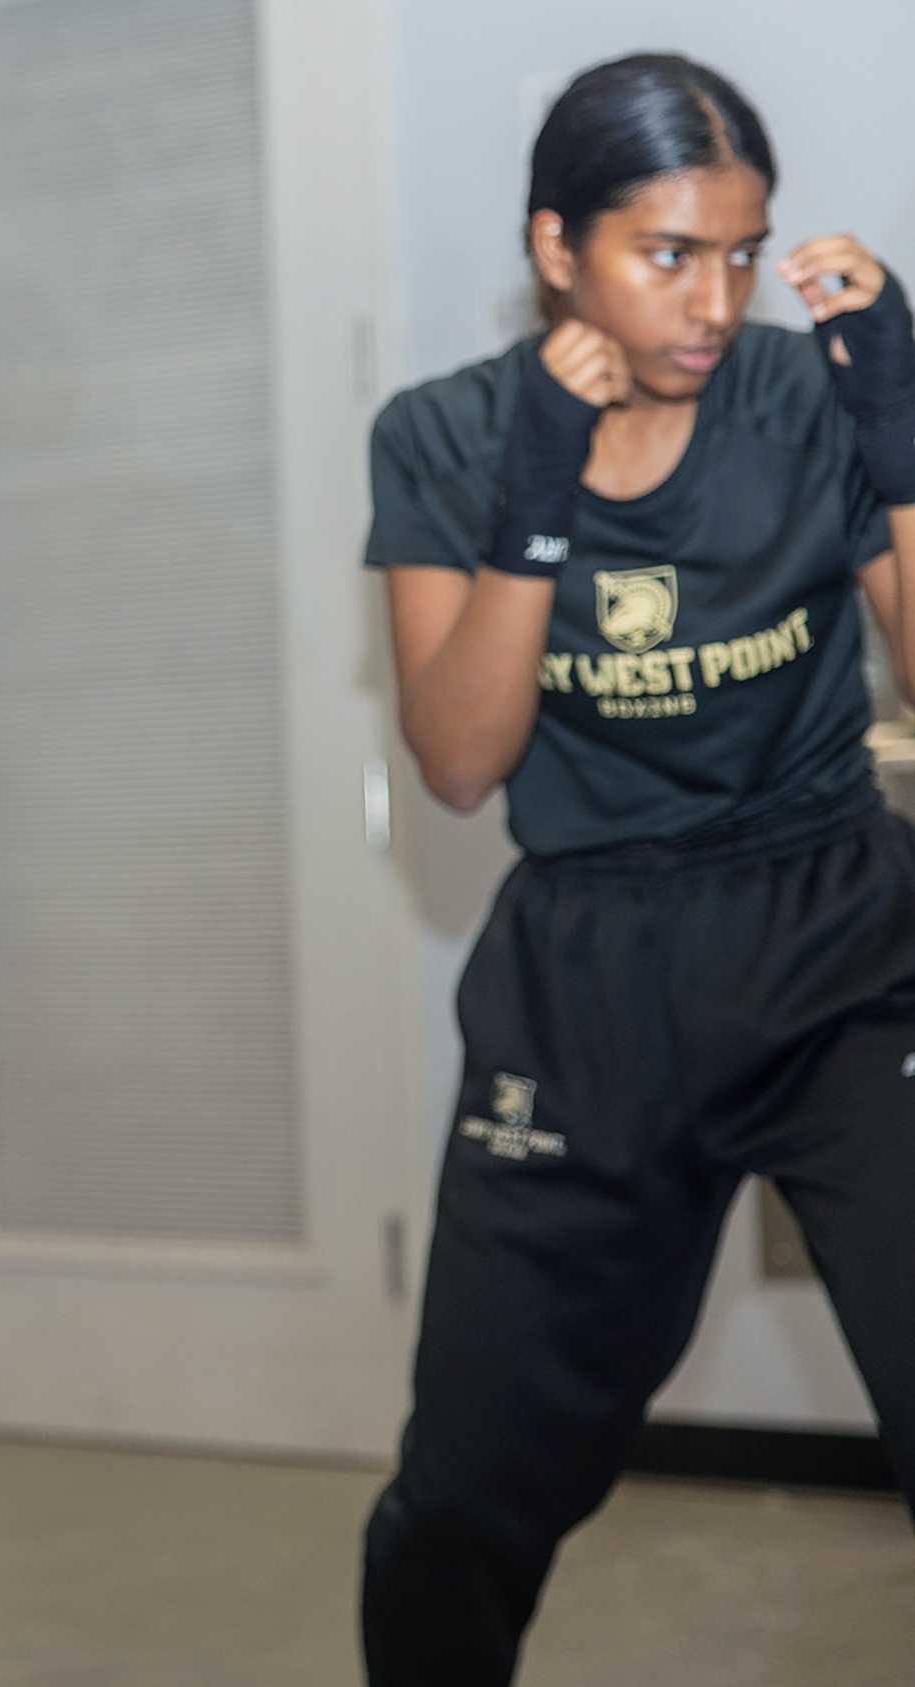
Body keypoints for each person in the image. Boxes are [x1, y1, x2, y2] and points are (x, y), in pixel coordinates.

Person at [360, 54, 915, 1684]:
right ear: (557, 246)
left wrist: (899, 438)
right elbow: (460, 763)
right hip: (587, 974)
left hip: (837, 939)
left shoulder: (804, 391)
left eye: (742, 252)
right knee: (464, 1497)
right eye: (670, 252)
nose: (715, 294)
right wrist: (535, 501)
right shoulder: (450, 435)